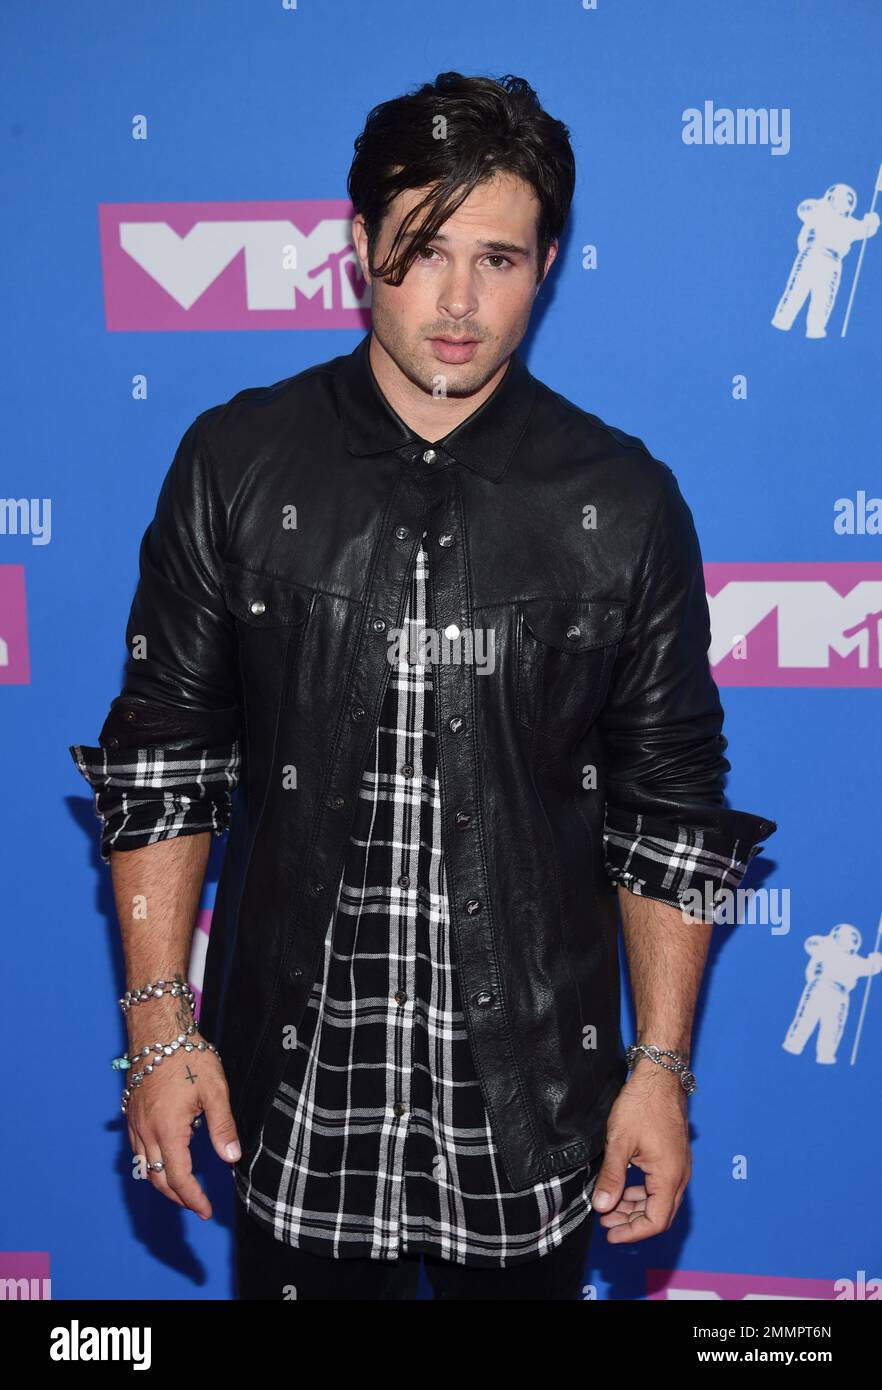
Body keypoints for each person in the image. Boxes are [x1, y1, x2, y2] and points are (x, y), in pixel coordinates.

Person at [69, 71, 777, 1301]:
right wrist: (158, 1029)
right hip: (298, 1096)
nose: (457, 301)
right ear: (359, 249)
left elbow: (669, 810)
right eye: (422, 251)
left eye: (497, 259)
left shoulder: (623, 503)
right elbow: (166, 765)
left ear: (547, 264)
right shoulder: (236, 464)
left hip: (532, 1104)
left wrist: (660, 1068)